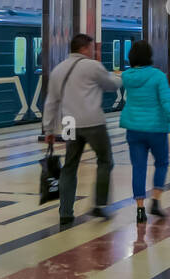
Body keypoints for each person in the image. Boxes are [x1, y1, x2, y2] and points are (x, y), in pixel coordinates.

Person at [43, 33, 122, 224]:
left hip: (69, 122)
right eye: (91, 48)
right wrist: (120, 77)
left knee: (70, 166)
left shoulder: (58, 70)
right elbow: (111, 85)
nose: (93, 51)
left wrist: (49, 130)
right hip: (93, 121)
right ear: (84, 48)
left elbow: (51, 102)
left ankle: (65, 212)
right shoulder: (92, 66)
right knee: (105, 161)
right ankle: (100, 205)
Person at [119, 40, 170, 223]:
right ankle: (156, 200)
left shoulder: (127, 77)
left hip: (134, 128)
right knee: (162, 162)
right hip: (156, 129)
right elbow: (168, 104)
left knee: (138, 167)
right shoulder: (158, 76)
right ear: (149, 56)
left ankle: (140, 209)